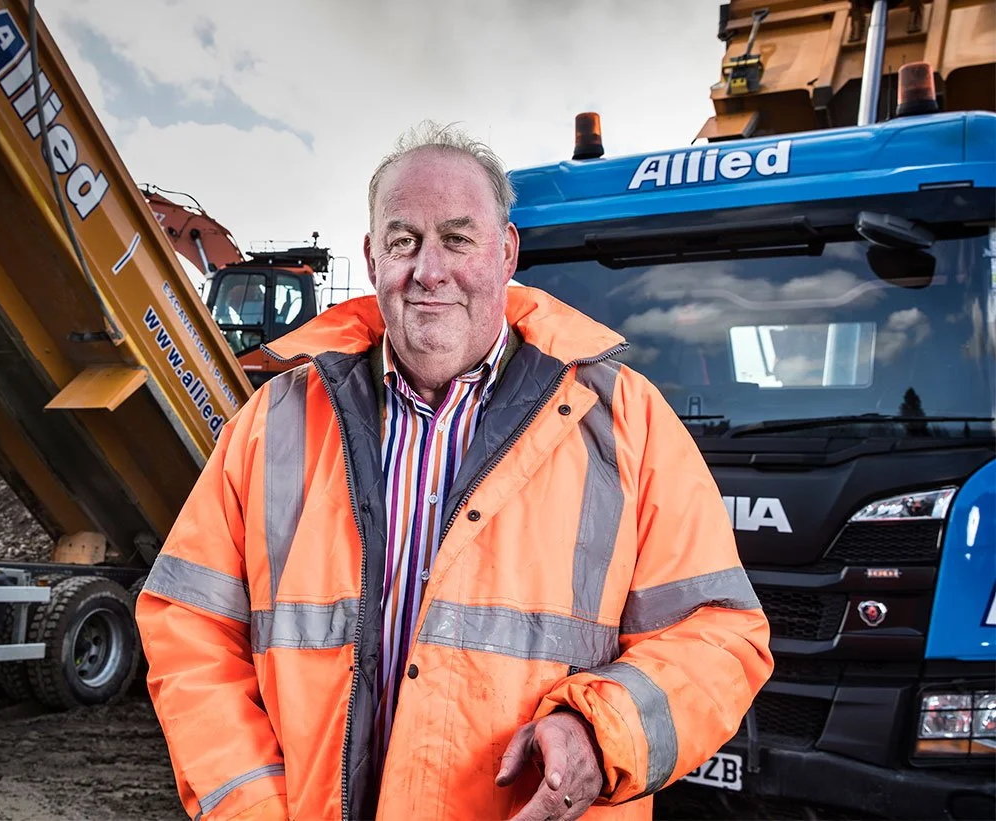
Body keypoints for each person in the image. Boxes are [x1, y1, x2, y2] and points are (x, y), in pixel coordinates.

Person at [136, 122, 773, 821]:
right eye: (404, 241)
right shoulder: (275, 422)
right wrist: (252, 807)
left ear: (507, 252)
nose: (429, 270)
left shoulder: (626, 422)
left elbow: (720, 633)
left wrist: (602, 731)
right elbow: (189, 628)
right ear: (372, 257)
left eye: (458, 239)